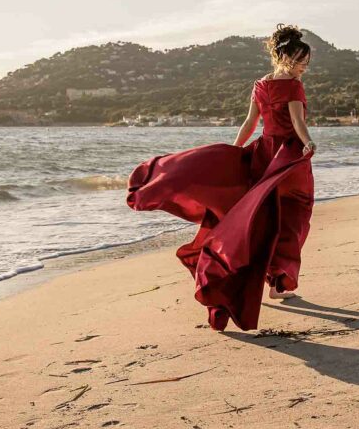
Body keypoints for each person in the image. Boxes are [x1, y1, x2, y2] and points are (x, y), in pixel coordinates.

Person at [126, 24, 316, 332]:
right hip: (287, 158)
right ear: (283, 57)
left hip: (261, 157)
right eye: (298, 61)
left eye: (306, 62)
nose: (302, 67)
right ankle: (279, 282)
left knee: (254, 219)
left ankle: (264, 278)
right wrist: (307, 143)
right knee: (295, 215)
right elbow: (296, 123)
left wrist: (234, 153)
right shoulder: (293, 87)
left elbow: (249, 123)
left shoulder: (261, 85)